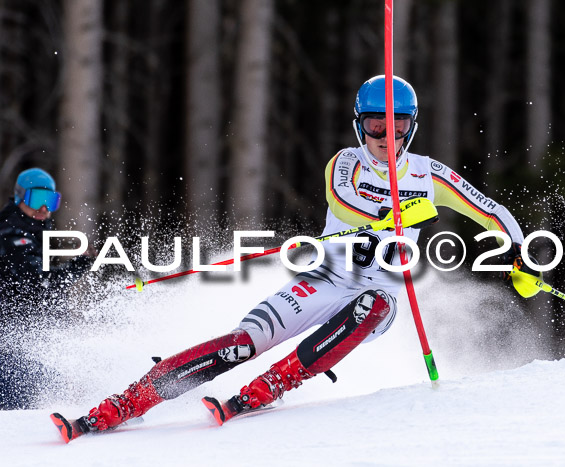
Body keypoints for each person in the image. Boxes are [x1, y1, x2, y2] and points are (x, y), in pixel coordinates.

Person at [52, 76, 537, 439]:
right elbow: (345, 202)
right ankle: (124, 402)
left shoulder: (429, 174)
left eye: (396, 125)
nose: (385, 137)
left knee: (375, 308)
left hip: (379, 286)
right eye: (374, 125)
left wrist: (518, 254)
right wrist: (395, 211)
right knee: (243, 342)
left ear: (412, 127)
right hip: (327, 275)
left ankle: (270, 387)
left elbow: (493, 212)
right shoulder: (346, 163)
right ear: (359, 125)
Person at [0, 167, 95, 409]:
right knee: (20, 401)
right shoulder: (11, 233)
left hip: (30, 337)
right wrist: (80, 264)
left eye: (50, 201)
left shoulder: (34, 229)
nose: (44, 209)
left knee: (56, 386)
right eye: (37, 200)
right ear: (21, 197)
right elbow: (39, 282)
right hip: (10, 343)